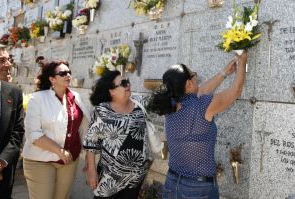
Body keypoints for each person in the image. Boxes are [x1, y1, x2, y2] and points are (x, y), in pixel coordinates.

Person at [147, 52, 248, 199]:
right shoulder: (202, 106)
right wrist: (242, 62)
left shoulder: (171, 105)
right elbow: (235, 91)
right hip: (198, 190)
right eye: (194, 75)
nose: (197, 77)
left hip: (172, 183)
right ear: (188, 83)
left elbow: (200, 91)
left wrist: (224, 73)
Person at [22, 60, 90, 199]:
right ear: (52, 79)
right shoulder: (37, 99)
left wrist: (88, 156)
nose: (68, 75)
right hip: (40, 160)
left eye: (69, 72)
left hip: (69, 160)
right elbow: (33, 133)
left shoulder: (76, 97)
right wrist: (59, 151)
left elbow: (83, 128)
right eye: (63, 73)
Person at [83, 70, 150, 199]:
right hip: (110, 176)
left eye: (128, 82)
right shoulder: (101, 110)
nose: (128, 85)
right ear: (112, 91)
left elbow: (161, 102)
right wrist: (91, 171)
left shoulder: (140, 102)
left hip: (135, 177)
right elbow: (91, 143)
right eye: (123, 83)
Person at [0, 44, 25, 199]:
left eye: (8, 59)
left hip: (3, 170)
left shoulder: (13, 92)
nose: (8, 64)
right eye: (2, 60)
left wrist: (1, 162)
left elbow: (17, 132)